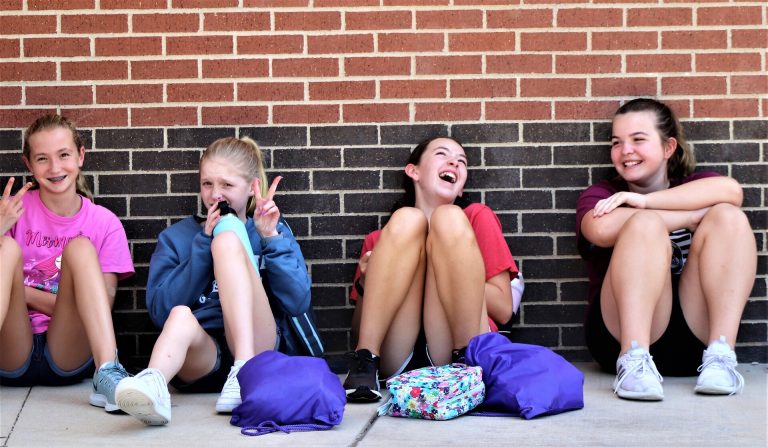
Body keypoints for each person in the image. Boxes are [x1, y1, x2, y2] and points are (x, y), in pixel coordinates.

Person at [115, 136, 320, 426]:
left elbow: (298, 301)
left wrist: (271, 239)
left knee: (227, 241)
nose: (216, 195)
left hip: (258, 349)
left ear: (251, 187)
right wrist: (202, 244)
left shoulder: (270, 230)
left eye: (227, 185)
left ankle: (243, 368)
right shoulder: (177, 238)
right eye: (207, 184)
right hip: (203, 355)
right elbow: (160, 312)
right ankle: (153, 385)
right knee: (178, 315)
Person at [576, 98, 756, 401]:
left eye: (638, 140)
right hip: (620, 336)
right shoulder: (603, 194)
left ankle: (721, 356)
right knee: (644, 224)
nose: (625, 151)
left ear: (668, 147)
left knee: (728, 216)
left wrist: (644, 202)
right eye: (617, 142)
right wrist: (687, 218)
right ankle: (633, 362)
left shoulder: (696, 185)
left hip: (694, 339)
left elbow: (732, 192)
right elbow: (601, 228)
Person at [343, 136, 519, 403]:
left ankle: (464, 367)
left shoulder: (475, 218)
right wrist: (367, 284)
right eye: (442, 154)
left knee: (448, 217)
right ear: (413, 171)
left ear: (460, 188)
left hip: (458, 346)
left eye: (462, 161)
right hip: (397, 356)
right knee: (406, 218)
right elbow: (357, 330)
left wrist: (449, 264)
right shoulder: (382, 240)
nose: (454, 162)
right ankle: (366, 360)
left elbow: (504, 308)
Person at [0, 114, 135, 412]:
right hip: (10, 347)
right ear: (28, 164)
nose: (55, 168)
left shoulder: (105, 223)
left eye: (63, 155)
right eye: (42, 159)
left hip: (69, 350)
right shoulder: (11, 212)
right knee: (6, 247)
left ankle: (108, 374)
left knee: (81, 247)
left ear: (80, 155)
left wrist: (21, 294)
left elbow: (101, 306)